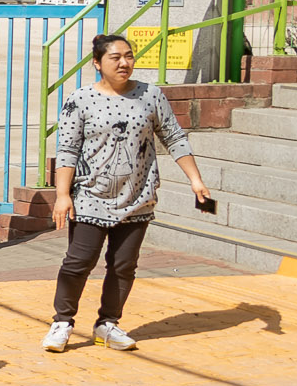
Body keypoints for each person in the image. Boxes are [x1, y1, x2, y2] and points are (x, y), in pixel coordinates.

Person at [44, 32, 210, 354]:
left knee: (123, 265)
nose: (124, 63)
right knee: (78, 263)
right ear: (97, 63)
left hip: (137, 197)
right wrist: (62, 195)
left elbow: (174, 137)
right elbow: (67, 149)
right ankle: (62, 322)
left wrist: (195, 179)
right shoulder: (80, 100)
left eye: (129, 56)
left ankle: (108, 324)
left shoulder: (151, 96)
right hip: (91, 196)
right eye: (115, 57)